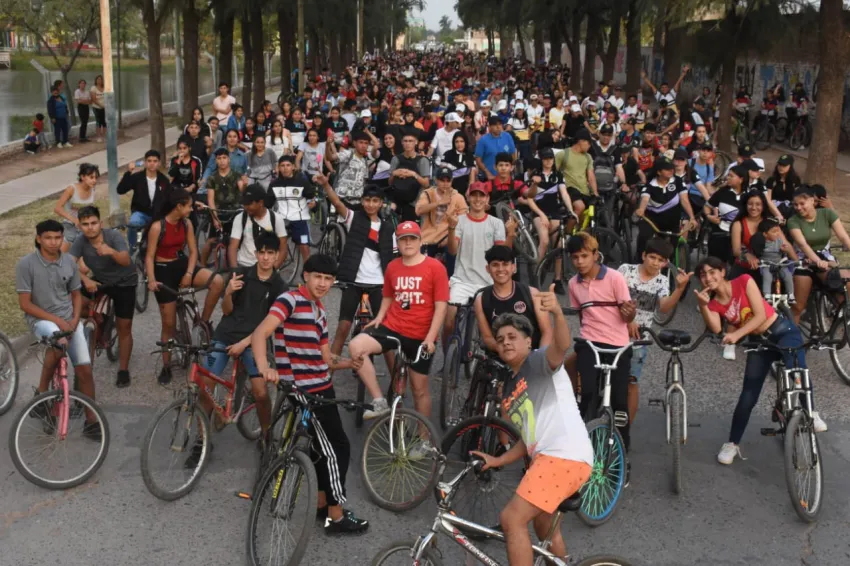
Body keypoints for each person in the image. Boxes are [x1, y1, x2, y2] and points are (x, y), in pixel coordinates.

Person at [251, 254, 370, 535]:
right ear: (306, 276)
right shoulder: (289, 301)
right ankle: (336, 517)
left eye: (328, 279)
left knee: (320, 448)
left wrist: (348, 363)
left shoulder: (319, 311)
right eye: (318, 277)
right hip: (304, 391)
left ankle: (321, 504)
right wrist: (264, 367)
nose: (323, 283)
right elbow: (260, 334)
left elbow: (325, 358)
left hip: (321, 387)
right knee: (337, 449)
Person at [470, 296, 591, 566]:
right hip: (550, 459)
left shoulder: (538, 362)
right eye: (500, 339)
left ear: (528, 341)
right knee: (544, 529)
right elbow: (528, 439)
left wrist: (557, 313)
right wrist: (497, 460)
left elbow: (562, 345)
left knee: (511, 519)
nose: (505, 342)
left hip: (563, 456)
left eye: (512, 336)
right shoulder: (510, 388)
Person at [694, 256, 826, 466]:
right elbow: (717, 328)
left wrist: (737, 335)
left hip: (782, 331)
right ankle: (732, 443)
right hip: (759, 342)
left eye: (712, 272)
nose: (708, 278)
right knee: (748, 394)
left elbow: (760, 315)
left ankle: (812, 412)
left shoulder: (744, 281)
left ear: (722, 272)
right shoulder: (715, 303)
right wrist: (703, 305)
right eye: (703, 275)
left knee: (798, 371)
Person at [182, 231, 286, 467]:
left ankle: (266, 435)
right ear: (255, 253)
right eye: (262, 252)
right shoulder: (241, 275)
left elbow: (269, 324)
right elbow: (227, 311)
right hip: (225, 334)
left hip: (254, 341)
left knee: (260, 392)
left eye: (270, 253)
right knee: (206, 386)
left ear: (276, 255)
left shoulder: (279, 286)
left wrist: (245, 343)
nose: (265, 258)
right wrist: (228, 293)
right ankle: (202, 440)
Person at [348, 221, 449, 437]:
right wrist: (379, 317)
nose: (408, 243)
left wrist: (431, 338)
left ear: (420, 241)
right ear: (398, 243)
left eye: (412, 239)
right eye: (404, 239)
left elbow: (441, 306)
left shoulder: (435, 267)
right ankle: (379, 401)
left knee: (419, 389)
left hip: (421, 336)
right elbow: (388, 295)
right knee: (356, 346)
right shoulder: (393, 266)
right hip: (393, 327)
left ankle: (423, 438)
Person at [16, 220, 100, 440]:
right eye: (48, 238)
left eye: (57, 238)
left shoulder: (69, 262)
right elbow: (25, 304)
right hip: (41, 320)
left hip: (69, 319)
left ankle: (92, 421)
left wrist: (74, 319)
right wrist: (58, 322)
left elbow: (76, 295)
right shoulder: (26, 264)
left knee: (85, 371)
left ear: (63, 238)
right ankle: (42, 394)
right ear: (39, 239)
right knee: (58, 342)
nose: (53, 242)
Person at [568, 232, 636, 461]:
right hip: (589, 342)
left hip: (618, 345)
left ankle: (622, 452)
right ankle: (583, 440)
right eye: (575, 257)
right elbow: (582, 316)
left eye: (584, 256)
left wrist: (630, 315)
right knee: (586, 393)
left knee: (619, 401)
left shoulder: (615, 278)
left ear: (596, 255)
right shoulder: (573, 284)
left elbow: (627, 315)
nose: (580, 261)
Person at [145, 189, 224, 385]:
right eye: (188, 206)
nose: (191, 209)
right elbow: (149, 256)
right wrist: (152, 280)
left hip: (181, 264)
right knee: (168, 324)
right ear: (178, 206)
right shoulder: (158, 227)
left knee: (217, 282)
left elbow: (194, 251)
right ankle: (166, 365)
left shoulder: (186, 223)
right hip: (163, 270)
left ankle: (202, 323)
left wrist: (189, 274)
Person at [318, 179, 398, 367]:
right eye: (367, 200)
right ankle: (328, 375)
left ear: (381, 203)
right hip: (353, 282)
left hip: (379, 285)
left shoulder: (388, 228)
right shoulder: (353, 218)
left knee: (384, 333)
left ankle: (395, 381)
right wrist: (326, 185)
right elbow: (337, 203)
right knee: (343, 328)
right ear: (362, 201)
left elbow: (394, 259)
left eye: (375, 201)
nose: (371, 204)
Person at [618, 237, 690, 424]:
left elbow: (664, 307)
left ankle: (626, 428)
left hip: (638, 340)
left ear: (665, 263)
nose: (655, 263)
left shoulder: (661, 281)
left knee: (631, 382)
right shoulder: (626, 270)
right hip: (614, 333)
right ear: (643, 255)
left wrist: (679, 289)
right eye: (652, 257)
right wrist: (629, 320)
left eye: (661, 260)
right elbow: (612, 295)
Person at [71, 206, 137, 387]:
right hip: (101, 281)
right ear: (80, 226)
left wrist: (111, 251)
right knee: (72, 304)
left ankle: (123, 370)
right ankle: (99, 318)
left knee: (124, 327)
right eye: (85, 224)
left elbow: (126, 260)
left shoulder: (113, 237)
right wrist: (85, 279)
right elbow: (69, 265)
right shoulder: (80, 241)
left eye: (93, 223)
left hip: (125, 282)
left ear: (100, 223)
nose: (90, 227)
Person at [441, 181, 512, 352]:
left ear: (487, 199)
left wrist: (511, 234)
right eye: (474, 195)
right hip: (462, 280)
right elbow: (452, 250)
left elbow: (502, 254)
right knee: (449, 321)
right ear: (468, 198)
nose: (478, 199)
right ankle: (448, 359)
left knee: (494, 327)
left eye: (482, 195)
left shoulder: (496, 223)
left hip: (488, 283)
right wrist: (451, 228)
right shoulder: (460, 221)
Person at [787, 187, 850, 324]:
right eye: (795, 204)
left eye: (802, 203)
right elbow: (803, 245)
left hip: (825, 257)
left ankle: (841, 318)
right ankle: (792, 335)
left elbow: (844, 237)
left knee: (846, 280)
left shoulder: (827, 214)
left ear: (812, 201)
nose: (798, 208)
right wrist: (817, 261)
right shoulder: (793, 221)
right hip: (803, 260)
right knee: (798, 306)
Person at [474, 245, 552, 353]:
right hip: (501, 356)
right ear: (488, 269)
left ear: (513, 267)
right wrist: (510, 353)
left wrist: (540, 357)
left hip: (532, 355)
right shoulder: (481, 300)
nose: (500, 269)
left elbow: (547, 332)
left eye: (505, 264)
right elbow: (488, 338)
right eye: (495, 265)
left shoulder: (532, 294)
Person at [117, 150, 173, 253]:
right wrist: (128, 172)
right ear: (145, 162)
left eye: (155, 161)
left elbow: (169, 198)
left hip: (157, 215)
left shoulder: (163, 180)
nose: (152, 164)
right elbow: (120, 190)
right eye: (149, 161)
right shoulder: (138, 177)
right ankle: (132, 250)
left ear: (159, 163)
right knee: (133, 223)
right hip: (140, 212)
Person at [201, 147, 249, 268]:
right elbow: (210, 199)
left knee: (236, 240)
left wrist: (245, 184)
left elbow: (242, 190)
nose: (222, 161)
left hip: (234, 212)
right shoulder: (212, 178)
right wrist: (214, 218)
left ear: (229, 159)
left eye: (224, 158)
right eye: (219, 158)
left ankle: (235, 266)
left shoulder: (236, 175)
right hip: (217, 211)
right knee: (211, 240)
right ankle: (202, 265)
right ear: (216, 160)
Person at [415, 166, 469, 264]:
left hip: (448, 236)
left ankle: (451, 273)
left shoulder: (458, 197)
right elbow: (418, 211)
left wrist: (450, 238)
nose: (445, 183)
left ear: (452, 181)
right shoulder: (427, 194)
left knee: (453, 249)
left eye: (448, 180)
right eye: (442, 180)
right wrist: (439, 203)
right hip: (428, 237)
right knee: (422, 264)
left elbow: (464, 221)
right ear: (436, 180)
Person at [268, 155, 315, 265]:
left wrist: (313, 203)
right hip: (281, 219)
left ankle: (308, 270)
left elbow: (311, 196)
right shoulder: (274, 184)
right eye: (282, 166)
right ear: (278, 168)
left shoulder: (302, 181)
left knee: (304, 245)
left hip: (300, 219)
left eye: (288, 165)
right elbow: (267, 203)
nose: (285, 168)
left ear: (293, 167)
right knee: (274, 245)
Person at [229, 184, 288, 269]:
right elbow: (233, 246)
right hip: (244, 265)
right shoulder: (240, 218)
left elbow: (283, 248)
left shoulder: (276, 219)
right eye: (244, 204)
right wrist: (234, 270)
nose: (246, 207)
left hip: (267, 268)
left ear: (260, 203)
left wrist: (273, 269)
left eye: (249, 204)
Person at [555, 128, 598, 221]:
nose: (590, 146)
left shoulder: (588, 157)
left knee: (586, 218)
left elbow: (591, 176)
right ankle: (568, 230)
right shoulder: (563, 154)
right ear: (581, 141)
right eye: (589, 143)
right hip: (569, 189)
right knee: (580, 207)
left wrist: (595, 193)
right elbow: (554, 172)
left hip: (584, 191)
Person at [388, 131, 431, 221]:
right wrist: (394, 174)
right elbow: (390, 183)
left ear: (416, 142)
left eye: (410, 141)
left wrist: (413, 174)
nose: (408, 143)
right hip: (398, 199)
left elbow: (426, 184)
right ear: (402, 142)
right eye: (405, 141)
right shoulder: (396, 159)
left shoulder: (422, 160)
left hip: (414, 202)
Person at [329, 130, 372, 209]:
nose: (363, 145)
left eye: (366, 143)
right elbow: (330, 157)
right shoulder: (348, 154)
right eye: (361, 142)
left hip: (357, 202)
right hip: (341, 200)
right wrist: (327, 145)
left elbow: (364, 181)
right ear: (354, 143)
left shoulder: (365, 161)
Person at [756, 218, 798, 298]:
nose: (777, 234)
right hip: (767, 265)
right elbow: (757, 252)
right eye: (774, 232)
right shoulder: (762, 243)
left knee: (788, 275)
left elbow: (784, 252)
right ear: (765, 234)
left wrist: (784, 250)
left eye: (778, 231)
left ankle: (790, 294)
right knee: (767, 276)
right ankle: (767, 294)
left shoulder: (779, 241)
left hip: (779, 264)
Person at [475, 116, 518, 181]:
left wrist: (511, 169)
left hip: (506, 176)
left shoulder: (507, 136)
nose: (498, 127)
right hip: (490, 176)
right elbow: (478, 160)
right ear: (489, 127)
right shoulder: (483, 140)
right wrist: (487, 173)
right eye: (495, 125)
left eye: (500, 124)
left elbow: (513, 154)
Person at [765, 154, 801, 220]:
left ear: (790, 166)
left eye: (784, 165)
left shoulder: (795, 180)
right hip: (774, 208)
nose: (781, 167)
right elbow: (768, 200)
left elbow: (798, 197)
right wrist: (778, 215)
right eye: (779, 165)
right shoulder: (772, 180)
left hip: (790, 209)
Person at [90, 75, 106, 142]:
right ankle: (99, 137)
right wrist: (101, 105)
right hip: (96, 107)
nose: (99, 81)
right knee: (98, 122)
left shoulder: (105, 87)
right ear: (96, 80)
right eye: (98, 79)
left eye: (100, 79)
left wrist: (105, 106)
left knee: (104, 122)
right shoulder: (93, 88)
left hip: (104, 108)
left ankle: (104, 136)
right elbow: (94, 99)